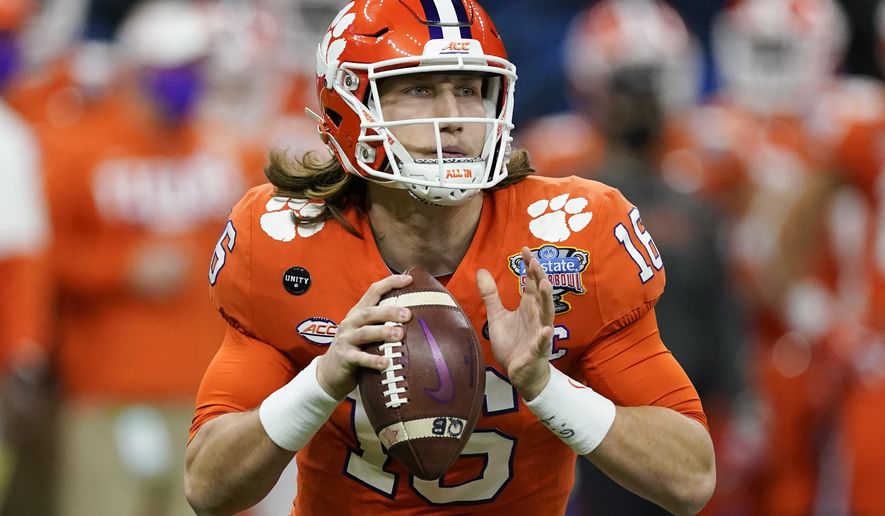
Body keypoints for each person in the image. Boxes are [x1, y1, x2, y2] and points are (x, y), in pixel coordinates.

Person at [184, 1, 715, 514]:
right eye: (419, 89)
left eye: (469, 89)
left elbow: (691, 479)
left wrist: (545, 385)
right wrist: (322, 381)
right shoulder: (285, 239)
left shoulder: (572, 236)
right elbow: (208, 488)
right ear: (349, 107)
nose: (455, 117)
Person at [42, 1, 259, 514]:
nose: (189, 81)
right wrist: (121, 268)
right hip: (107, 391)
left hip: (211, 391)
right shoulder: (79, 149)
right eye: (176, 70)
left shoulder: (232, 153)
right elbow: (44, 263)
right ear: (137, 69)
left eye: (196, 69)